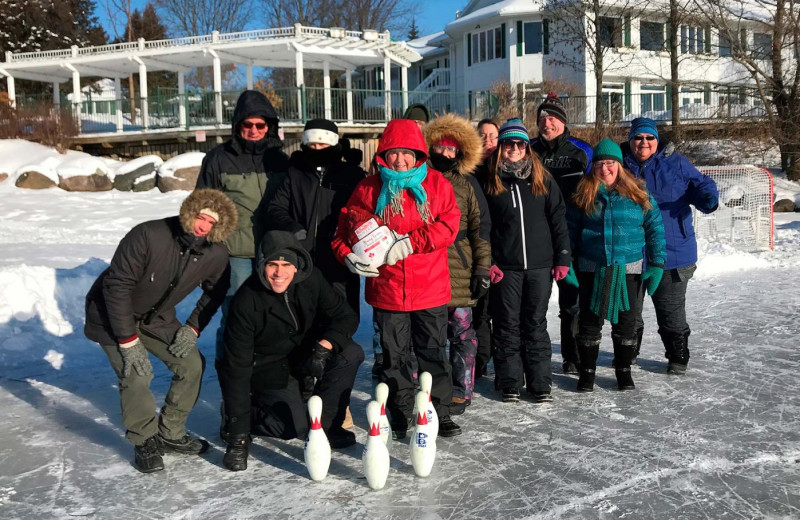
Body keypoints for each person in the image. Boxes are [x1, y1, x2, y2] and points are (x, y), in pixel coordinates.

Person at [84, 189, 238, 473]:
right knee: (137, 373)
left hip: (157, 319)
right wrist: (128, 341)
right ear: (190, 212)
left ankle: (171, 432)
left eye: (211, 223)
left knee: (191, 365)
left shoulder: (215, 253)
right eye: (201, 217)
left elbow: (216, 292)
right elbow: (116, 286)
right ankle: (143, 439)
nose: (203, 226)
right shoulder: (148, 235)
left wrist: (192, 327)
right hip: (110, 316)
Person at [332, 118, 463, 438]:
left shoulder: (435, 184)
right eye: (393, 153)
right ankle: (402, 411)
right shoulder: (367, 188)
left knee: (433, 352)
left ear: (418, 153)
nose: (400, 159)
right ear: (382, 154)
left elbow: (449, 224)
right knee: (393, 358)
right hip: (387, 291)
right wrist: (347, 256)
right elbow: (345, 233)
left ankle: (439, 410)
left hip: (429, 287)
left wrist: (412, 242)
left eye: (407, 152)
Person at [219, 231, 364, 471]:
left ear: (297, 266)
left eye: (286, 264)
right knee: (293, 428)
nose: (279, 273)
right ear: (262, 265)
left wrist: (325, 345)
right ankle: (250, 413)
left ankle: (327, 426)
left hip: (306, 355)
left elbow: (345, 316)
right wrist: (237, 435)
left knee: (351, 353)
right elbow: (237, 368)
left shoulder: (313, 280)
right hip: (269, 367)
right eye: (272, 264)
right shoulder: (246, 301)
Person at [195, 89, 289, 364]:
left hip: (272, 250)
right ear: (238, 125)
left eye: (260, 125)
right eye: (247, 124)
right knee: (236, 312)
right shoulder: (218, 158)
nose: (254, 130)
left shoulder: (280, 159)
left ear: (269, 126)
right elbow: (203, 203)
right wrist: (206, 248)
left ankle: (263, 374)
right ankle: (231, 374)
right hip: (234, 250)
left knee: (271, 312)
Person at [481, 118, 571, 404]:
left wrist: (563, 256)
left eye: (520, 144)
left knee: (535, 324)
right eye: (509, 144)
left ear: (527, 148)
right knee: (507, 325)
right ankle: (509, 382)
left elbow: (558, 220)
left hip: (540, 266)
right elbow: (483, 227)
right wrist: (490, 261)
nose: (515, 149)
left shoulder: (542, 179)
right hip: (505, 268)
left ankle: (540, 383)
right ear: (501, 148)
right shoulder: (490, 181)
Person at [621, 117, 719, 373]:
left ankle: (677, 356)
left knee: (671, 313)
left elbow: (702, 184)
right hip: (629, 251)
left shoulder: (676, 163)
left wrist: (706, 197)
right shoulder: (618, 165)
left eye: (649, 138)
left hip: (672, 252)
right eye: (638, 138)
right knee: (629, 313)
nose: (644, 143)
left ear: (657, 140)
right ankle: (628, 352)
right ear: (631, 140)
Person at [568, 139, 666, 392]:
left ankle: (623, 370)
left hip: (628, 270)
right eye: (600, 164)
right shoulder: (583, 193)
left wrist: (656, 263)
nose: (605, 169)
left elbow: (655, 229)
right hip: (592, 267)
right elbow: (568, 231)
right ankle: (587, 372)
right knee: (590, 323)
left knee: (627, 322)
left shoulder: (638, 192)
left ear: (619, 166)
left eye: (610, 163)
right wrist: (565, 261)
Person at [424, 113, 491, 415]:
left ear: (460, 153)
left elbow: (481, 229)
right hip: (426, 268)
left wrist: (481, 267)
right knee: (428, 337)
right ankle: (429, 390)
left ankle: (461, 390)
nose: (446, 154)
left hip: (461, 271)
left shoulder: (468, 184)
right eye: (441, 147)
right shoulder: (419, 180)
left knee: (463, 335)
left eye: (452, 149)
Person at [266, 118, 366, 318]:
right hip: (304, 255)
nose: (317, 149)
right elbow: (276, 207)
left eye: (322, 144)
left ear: (333, 144)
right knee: (306, 311)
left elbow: (364, 212)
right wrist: (293, 228)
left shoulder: (352, 175)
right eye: (312, 145)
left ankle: (339, 346)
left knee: (342, 311)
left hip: (340, 255)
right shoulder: (295, 174)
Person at [531, 93, 593, 375]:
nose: (547, 123)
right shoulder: (527, 149)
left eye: (553, 118)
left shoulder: (582, 151)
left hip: (572, 238)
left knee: (573, 304)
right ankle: (531, 356)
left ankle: (573, 355)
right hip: (536, 240)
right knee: (534, 304)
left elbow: (600, 186)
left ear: (563, 122)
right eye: (543, 118)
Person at [473, 118, 500, 379]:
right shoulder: (468, 171)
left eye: (493, 136)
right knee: (479, 312)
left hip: (504, 248)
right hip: (478, 247)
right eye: (483, 135)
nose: (488, 141)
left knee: (501, 311)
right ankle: (479, 361)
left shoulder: (506, 168)